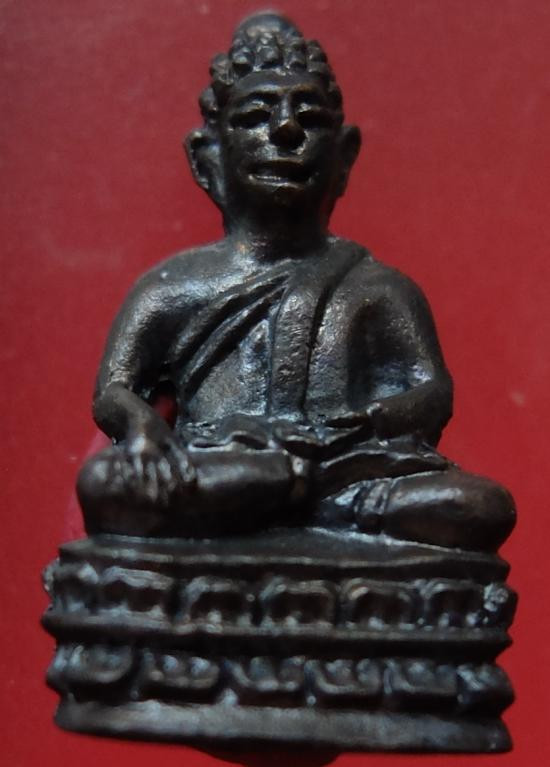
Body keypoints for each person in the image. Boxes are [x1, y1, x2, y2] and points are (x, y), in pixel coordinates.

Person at [77, 13, 514, 551]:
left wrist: (359, 426)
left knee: (477, 505)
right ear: (207, 156)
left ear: (345, 155)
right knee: (102, 483)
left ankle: (293, 499)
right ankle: (271, 491)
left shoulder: (380, 288)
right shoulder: (172, 286)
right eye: (255, 117)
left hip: (343, 470)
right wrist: (143, 428)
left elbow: (432, 390)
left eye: (309, 118)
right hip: (221, 461)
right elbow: (115, 390)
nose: (285, 130)